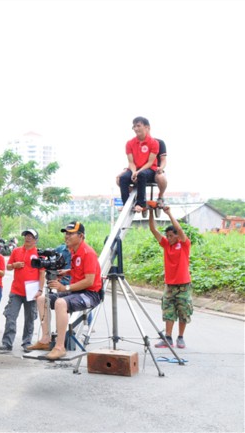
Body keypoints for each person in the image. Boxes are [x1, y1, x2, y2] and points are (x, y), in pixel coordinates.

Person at [25, 221, 102, 360]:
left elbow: (89, 281)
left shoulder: (88, 253)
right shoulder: (74, 251)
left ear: (81, 236)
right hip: (77, 291)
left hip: (90, 294)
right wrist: (66, 272)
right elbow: (79, 270)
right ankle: (45, 340)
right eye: (66, 233)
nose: (67, 236)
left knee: (60, 303)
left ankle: (60, 347)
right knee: (42, 299)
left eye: (71, 234)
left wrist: (64, 287)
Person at [149, 206, 192, 349]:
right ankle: (168, 338)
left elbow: (179, 229)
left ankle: (180, 337)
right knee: (168, 311)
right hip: (169, 285)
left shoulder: (184, 244)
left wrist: (169, 213)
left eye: (171, 236)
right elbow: (153, 230)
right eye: (167, 236)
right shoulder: (166, 245)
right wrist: (151, 211)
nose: (168, 238)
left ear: (177, 236)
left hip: (183, 285)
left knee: (183, 311)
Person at [0, 229, 45, 352]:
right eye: (26, 235)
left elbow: (42, 274)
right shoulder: (16, 251)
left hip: (32, 292)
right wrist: (15, 265)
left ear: (36, 240)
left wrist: (40, 290)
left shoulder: (39, 254)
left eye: (31, 236)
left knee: (30, 319)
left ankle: (27, 343)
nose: (28, 238)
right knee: (10, 316)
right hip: (16, 291)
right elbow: (8, 267)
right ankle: (7, 344)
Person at [118, 116, 160, 212]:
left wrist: (138, 172)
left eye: (138, 126)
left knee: (142, 175)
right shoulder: (129, 143)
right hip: (134, 169)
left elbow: (150, 162)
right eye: (134, 126)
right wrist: (134, 172)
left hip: (149, 169)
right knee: (123, 178)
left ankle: (140, 204)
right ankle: (125, 204)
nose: (136, 129)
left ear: (147, 127)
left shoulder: (154, 143)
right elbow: (131, 162)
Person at [116, 138, 168, 206]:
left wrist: (161, 168)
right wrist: (127, 170)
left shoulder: (158, 142)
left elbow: (163, 160)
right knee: (119, 178)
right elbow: (132, 161)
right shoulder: (134, 143)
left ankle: (160, 196)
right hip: (137, 170)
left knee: (161, 177)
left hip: (153, 169)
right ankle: (133, 196)